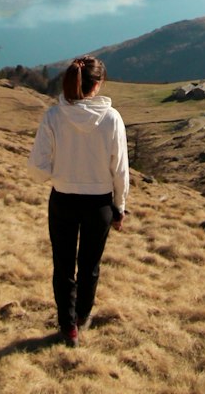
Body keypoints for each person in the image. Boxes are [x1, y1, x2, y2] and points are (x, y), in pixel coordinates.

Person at [28, 53, 129, 346]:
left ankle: (67, 325)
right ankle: (82, 317)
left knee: (63, 266)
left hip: (63, 200)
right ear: (97, 84)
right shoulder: (111, 118)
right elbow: (120, 169)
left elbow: (36, 168)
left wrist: (58, 173)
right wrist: (120, 208)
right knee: (90, 266)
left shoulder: (54, 116)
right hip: (99, 204)